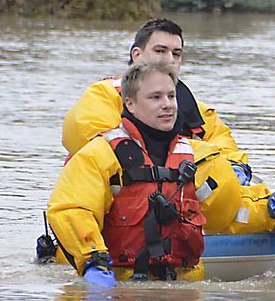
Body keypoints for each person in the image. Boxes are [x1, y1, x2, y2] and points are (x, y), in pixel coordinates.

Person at [47, 61, 275, 287]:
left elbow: (230, 211)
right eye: (155, 97)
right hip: (119, 285)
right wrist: (93, 263)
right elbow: (72, 210)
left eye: (171, 96)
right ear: (129, 104)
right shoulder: (101, 154)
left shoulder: (199, 158)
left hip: (182, 289)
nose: (167, 104)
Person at [62, 17, 253, 184]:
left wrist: (233, 167)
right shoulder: (104, 95)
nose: (169, 59)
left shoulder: (198, 111)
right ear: (137, 55)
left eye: (176, 54)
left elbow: (224, 145)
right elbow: (87, 135)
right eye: (160, 51)